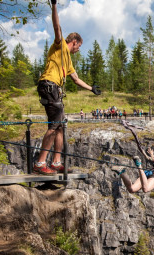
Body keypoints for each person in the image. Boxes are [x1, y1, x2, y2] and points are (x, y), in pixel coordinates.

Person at [34, 0, 101, 175]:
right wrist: (54, 5)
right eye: (79, 46)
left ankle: (56, 162)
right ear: (74, 41)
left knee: (61, 125)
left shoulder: (68, 60)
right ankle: (40, 163)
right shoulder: (60, 45)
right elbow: (57, 28)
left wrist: (91, 88)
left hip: (54, 89)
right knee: (55, 124)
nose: (79, 49)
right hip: (48, 85)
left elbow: (76, 79)